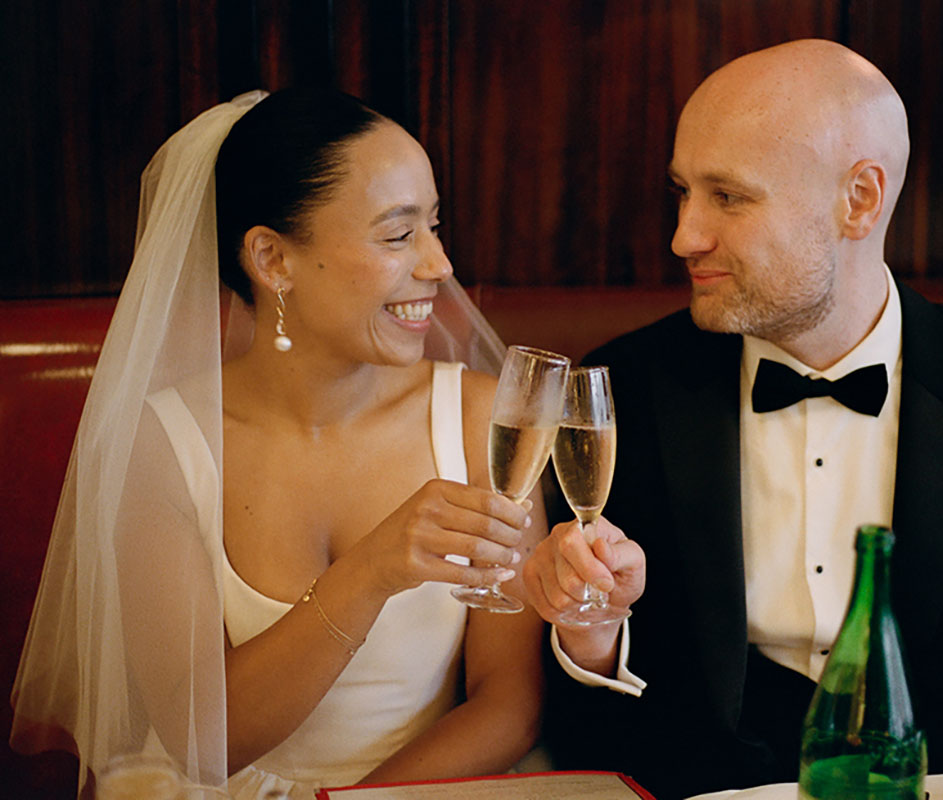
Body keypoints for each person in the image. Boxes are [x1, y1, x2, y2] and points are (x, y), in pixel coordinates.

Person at [522, 39, 943, 799]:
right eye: (683, 191)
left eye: (729, 196)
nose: (684, 236)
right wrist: (591, 634)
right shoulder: (624, 386)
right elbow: (593, 723)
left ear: (859, 200)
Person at [10, 88, 546, 799]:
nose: (439, 264)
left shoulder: (484, 421)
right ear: (273, 258)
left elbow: (509, 705)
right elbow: (204, 743)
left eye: (435, 226)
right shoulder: (162, 446)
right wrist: (373, 570)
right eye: (398, 234)